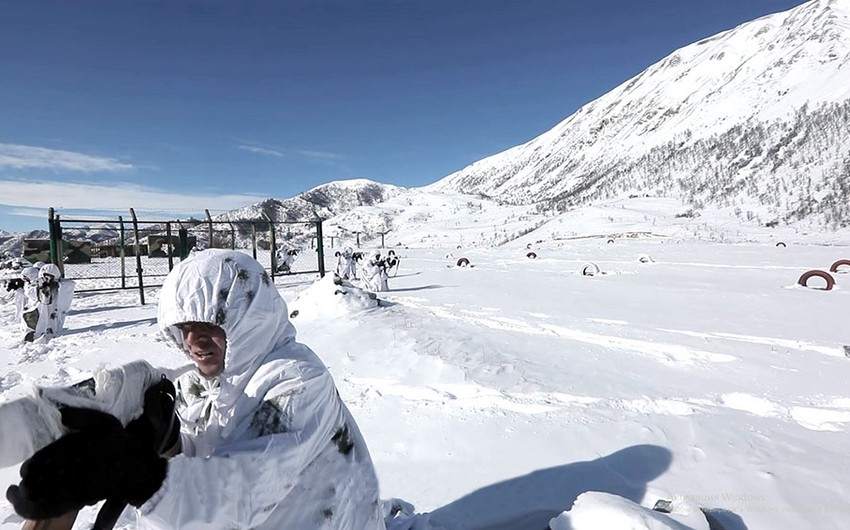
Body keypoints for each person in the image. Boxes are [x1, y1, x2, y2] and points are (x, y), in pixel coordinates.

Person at [6, 249, 387, 529]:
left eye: (208, 325)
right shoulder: (207, 381)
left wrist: (134, 473)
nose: (193, 342)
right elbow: (213, 448)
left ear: (248, 319)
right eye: (183, 328)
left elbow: (247, 491)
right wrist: (162, 441)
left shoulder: (296, 381)